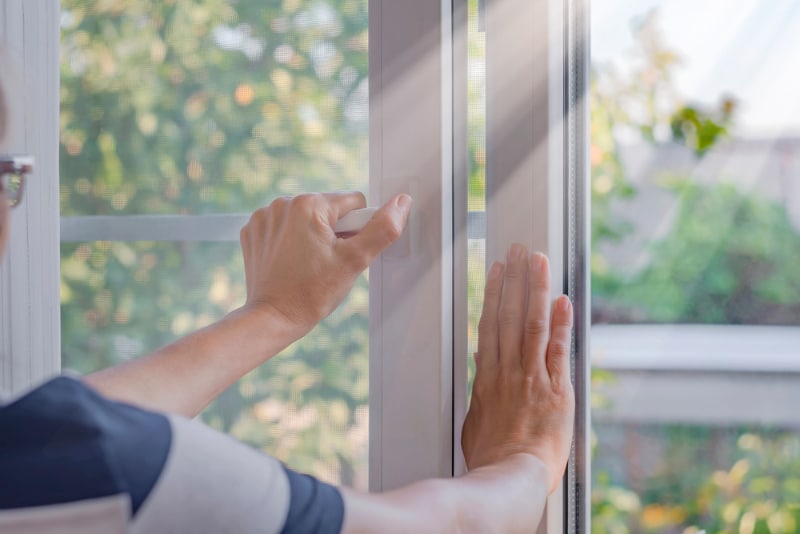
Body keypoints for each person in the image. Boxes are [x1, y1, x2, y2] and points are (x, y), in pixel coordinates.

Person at [0, 71, 574, 532]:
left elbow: (58, 429)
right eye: (8, 173)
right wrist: (524, 459)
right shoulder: (120, 480)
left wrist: (273, 314)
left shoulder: (47, 461)